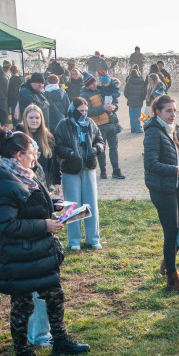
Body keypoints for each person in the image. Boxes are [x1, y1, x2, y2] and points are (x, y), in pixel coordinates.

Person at [0, 128, 90, 356]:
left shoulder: (22, 174)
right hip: (17, 255)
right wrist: (44, 225)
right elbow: (6, 225)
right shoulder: (4, 183)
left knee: (54, 294)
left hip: (35, 250)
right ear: (18, 155)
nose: (35, 158)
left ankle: (60, 341)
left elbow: (28, 203)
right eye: (31, 153)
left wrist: (54, 204)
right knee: (22, 304)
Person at [143, 94, 179, 291]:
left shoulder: (173, 128)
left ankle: (167, 263)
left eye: (175, 111)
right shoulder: (153, 132)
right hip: (161, 189)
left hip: (175, 187)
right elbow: (151, 163)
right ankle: (172, 279)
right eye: (168, 111)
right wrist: (177, 170)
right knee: (171, 232)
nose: (173, 114)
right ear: (158, 112)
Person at [54, 97, 104, 251]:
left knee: (91, 204)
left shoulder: (90, 123)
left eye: (85, 111)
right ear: (73, 110)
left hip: (88, 167)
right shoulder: (63, 124)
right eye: (80, 111)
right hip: (71, 169)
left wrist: (96, 149)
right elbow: (57, 145)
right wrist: (68, 152)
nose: (83, 114)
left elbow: (100, 141)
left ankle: (93, 238)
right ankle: (74, 240)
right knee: (73, 205)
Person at [81, 74, 123, 180]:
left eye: (95, 82)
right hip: (98, 126)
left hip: (111, 122)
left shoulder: (101, 90)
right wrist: (103, 108)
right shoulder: (84, 96)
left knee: (114, 148)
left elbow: (113, 101)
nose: (95, 85)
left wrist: (114, 107)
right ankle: (103, 170)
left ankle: (116, 170)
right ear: (87, 85)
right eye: (92, 84)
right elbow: (88, 112)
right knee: (101, 150)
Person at [21, 103, 60, 194]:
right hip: (26, 183)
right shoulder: (19, 136)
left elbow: (54, 161)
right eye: (31, 118)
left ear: (41, 119)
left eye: (37, 118)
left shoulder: (48, 137)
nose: (34, 120)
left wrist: (56, 181)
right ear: (25, 119)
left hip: (45, 182)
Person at [123, 66, 147, 134]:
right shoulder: (141, 81)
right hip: (139, 101)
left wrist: (129, 97)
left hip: (131, 101)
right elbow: (143, 92)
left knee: (131, 116)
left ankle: (132, 129)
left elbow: (125, 93)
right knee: (137, 115)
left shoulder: (129, 81)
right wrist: (142, 98)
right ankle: (138, 129)